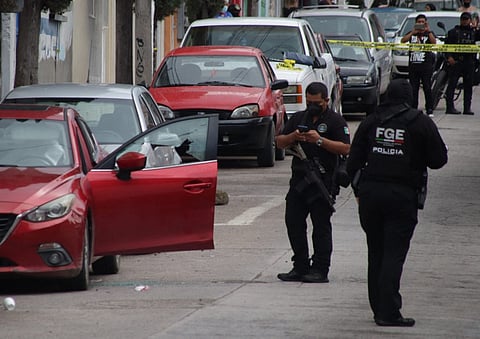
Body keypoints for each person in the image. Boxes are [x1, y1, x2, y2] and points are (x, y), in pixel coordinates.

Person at [346, 78, 448, 327]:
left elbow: (352, 161)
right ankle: (388, 311)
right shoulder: (420, 122)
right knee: (393, 253)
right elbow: (438, 160)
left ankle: (378, 306)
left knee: (376, 251)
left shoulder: (372, 121)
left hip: (371, 194)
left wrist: (359, 190)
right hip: (402, 195)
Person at [276, 82, 350, 283]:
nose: (312, 106)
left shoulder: (335, 121)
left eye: (316, 102)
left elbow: (345, 149)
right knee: (293, 222)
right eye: (309, 102)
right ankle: (300, 266)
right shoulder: (300, 118)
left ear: (326, 100)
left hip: (322, 182)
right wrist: (294, 136)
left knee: (321, 227)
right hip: (300, 180)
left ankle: (320, 269)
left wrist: (319, 140)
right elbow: (279, 141)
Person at [400, 14, 437, 117]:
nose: (421, 24)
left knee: (427, 87)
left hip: (426, 66)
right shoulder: (412, 34)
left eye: (422, 22)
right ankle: (413, 108)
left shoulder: (428, 33)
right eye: (419, 22)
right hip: (413, 66)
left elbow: (434, 42)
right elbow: (403, 40)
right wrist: (413, 32)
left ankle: (429, 109)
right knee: (413, 88)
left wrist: (428, 30)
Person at [444, 12, 480, 115]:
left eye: (466, 19)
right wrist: (449, 57)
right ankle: (450, 107)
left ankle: (467, 108)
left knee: (468, 86)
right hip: (456, 62)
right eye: (463, 19)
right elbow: (446, 46)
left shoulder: (474, 32)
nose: (464, 21)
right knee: (452, 85)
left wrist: (477, 26)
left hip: (469, 62)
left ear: (469, 20)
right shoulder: (453, 32)